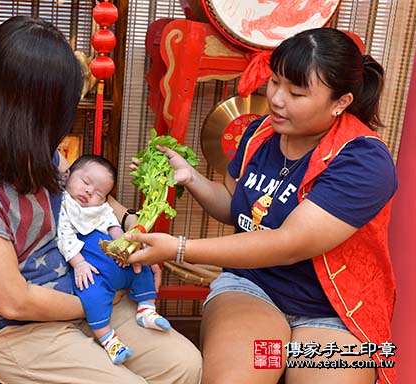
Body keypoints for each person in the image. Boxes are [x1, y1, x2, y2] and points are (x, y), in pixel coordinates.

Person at [0, 16, 201, 384]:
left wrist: (131, 228)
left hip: (83, 290)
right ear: (28, 108)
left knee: (184, 364)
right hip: (18, 327)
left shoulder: (36, 146)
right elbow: (13, 299)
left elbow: (91, 199)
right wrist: (99, 299)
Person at [125, 27, 397, 384]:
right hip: (254, 289)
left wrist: (179, 248)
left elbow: (289, 245)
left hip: (335, 311)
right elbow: (234, 208)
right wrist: (191, 178)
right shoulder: (260, 132)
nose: (277, 99)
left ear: (340, 102)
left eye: (296, 92)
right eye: (275, 82)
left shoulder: (363, 159)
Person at [58, 154, 171, 365]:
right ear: (67, 175)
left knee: (142, 267)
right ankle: (109, 340)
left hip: (116, 260)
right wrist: (79, 264)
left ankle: (147, 308)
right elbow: (64, 237)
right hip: (91, 268)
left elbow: (114, 226)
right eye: (85, 182)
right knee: (91, 294)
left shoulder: (101, 208)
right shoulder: (64, 204)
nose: (90, 191)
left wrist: (125, 249)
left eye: (99, 193)